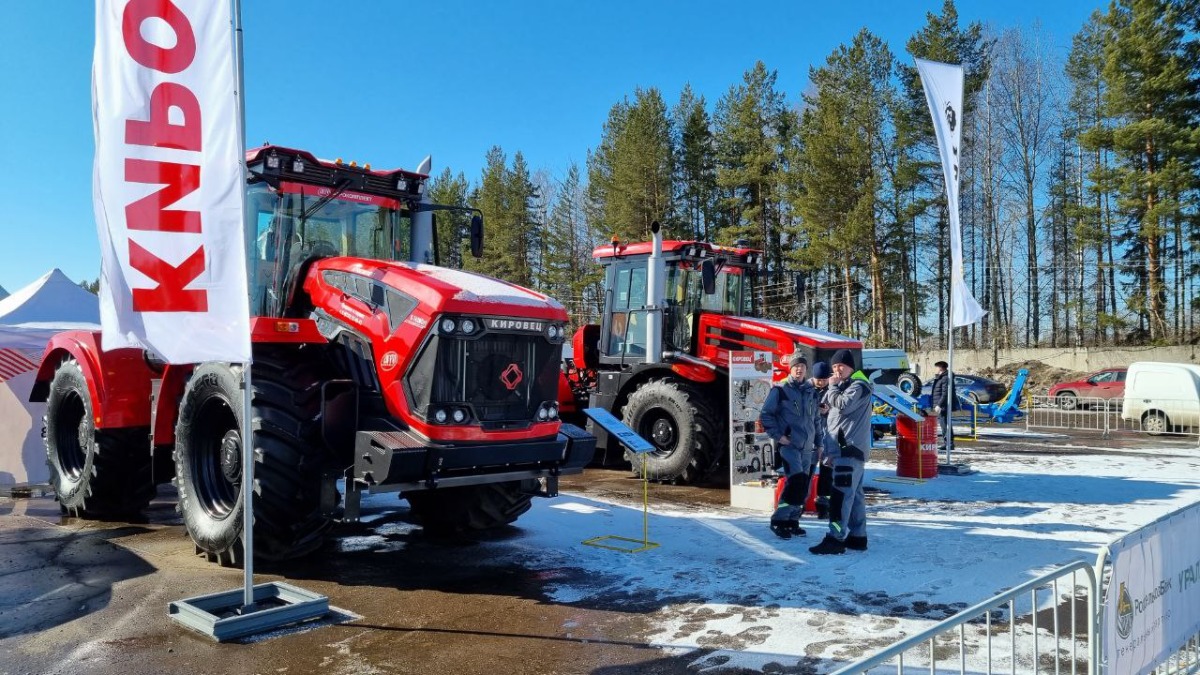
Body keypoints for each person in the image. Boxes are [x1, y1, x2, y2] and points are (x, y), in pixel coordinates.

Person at [809, 349, 874, 555]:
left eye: (841, 366)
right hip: (842, 450)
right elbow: (832, 409)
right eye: (835, 367)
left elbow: (844, 406)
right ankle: (857, 536)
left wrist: (834, 387)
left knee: (840, 496)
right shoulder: (844, 386)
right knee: (854, 497)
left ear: (850, 368)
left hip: (849, 450)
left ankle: (835, 538)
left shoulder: (858, 386)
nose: (837, 370)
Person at [759, 352, 816, 539]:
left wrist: (820, 443)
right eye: (795, 366)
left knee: (804, 486)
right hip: (790, 445)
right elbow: (766, 414)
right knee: (795, 482)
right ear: (790, 369)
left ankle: (792, 520)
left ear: (806, 369)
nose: (799, 369)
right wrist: (778, 436)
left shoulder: (810, 391)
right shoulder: (780, 390)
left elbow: (816, 420)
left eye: (802, 366)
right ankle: (779, 520)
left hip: (808, 447)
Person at [809, 361, 833, 519]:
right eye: (819, 380)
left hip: (827, 437)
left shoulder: (833, 390)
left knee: (827, 473)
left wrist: (828, 410)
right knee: (807, 472)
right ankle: (800, 504)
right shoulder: (806, 389)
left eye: (824, 380)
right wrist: (815, 410)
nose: (822, 382)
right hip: (810, 437)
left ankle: (824, 506)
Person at [929, 360, 957, 454]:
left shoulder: (945, 378)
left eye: (937, 367)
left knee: (945, 424)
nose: (935, 369)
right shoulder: (941, 377)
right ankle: (948, 443)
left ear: (941, 367)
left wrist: (939, 405)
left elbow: (945, 393)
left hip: (943, 406)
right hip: (941, 405)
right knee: (944, 424)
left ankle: (949, 443)